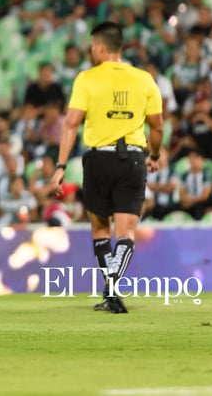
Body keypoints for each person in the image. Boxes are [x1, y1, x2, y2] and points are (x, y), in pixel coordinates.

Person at [51, 21, 164, 314]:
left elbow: (70, 124)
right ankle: (112, 291)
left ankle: (110, 290)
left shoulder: (86, 79)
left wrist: (61, 165)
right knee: (126, 233)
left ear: (101, 47)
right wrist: (155, 153)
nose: (91, 50)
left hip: (98, 160)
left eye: (92, 46)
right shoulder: (144, 79)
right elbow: (158, 126)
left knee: (100, 229)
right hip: (133, 160)